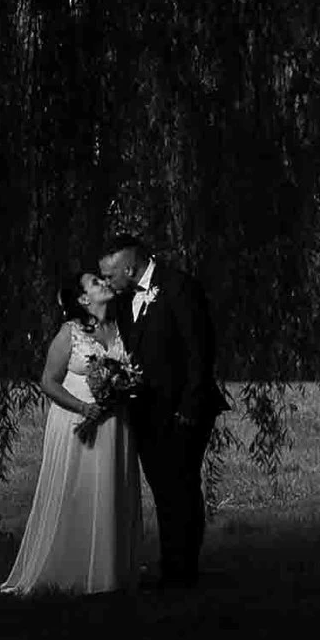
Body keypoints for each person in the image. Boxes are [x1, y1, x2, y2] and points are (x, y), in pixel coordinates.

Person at [0, 269, 142, 596]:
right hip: (79, 424)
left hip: (116, 425)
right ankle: (71, 570)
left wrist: (125, 388)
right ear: (82, 298)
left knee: (111, 490)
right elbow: (48, 381)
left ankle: (111, 573)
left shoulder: (123, 328)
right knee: (77, 490)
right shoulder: (70, 333)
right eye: (95, 283)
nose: (104, 284)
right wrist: (82, 407)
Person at [98, 234, 224, 586]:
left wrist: (190, 407)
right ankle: (172, 566)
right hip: (146, 413)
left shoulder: (179, 286)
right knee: (163, 490)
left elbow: (200, 350)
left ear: (129, 266)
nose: (108, 283)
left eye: (110, 275)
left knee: (182, 485)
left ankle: (184, 570)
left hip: (184, 410)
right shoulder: (124, 302)